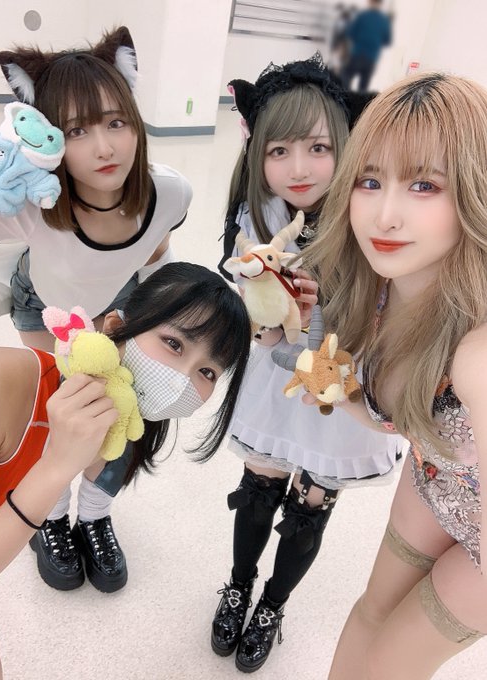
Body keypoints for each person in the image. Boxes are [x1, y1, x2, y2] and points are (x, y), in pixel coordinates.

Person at [0, 27, 193, 593]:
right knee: (56, 412)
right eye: (77, 130)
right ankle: (49, 517)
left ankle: (95, 514)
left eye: (116, 122)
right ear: (49, 137)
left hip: (115, 307)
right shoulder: (30, 207)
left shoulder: (170, 193)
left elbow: (158, 249)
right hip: (42, 308)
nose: (105, 148)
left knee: (116, 417)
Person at [212, 54, 399, 673]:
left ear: (346, 146)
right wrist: (265, 312)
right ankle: (238, 585)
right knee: (258, 488)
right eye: (280, 150)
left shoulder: (373, 213)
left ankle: (272, 604)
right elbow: (248, 307)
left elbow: (399, 306)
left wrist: (336, 305)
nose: (299, 168)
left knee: (311, 505)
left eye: (318, 148)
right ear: (257, 152)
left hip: (340, 382)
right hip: (276, 375)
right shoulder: (256, 217)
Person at [0, 260, 251, 680]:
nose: (181, 379)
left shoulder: (123, 426)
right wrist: (56, 468)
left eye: (207, 371)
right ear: (115, 326)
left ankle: (89, 522)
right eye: (174, 344)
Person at [305, 72, 487, 679]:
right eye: (370, 180)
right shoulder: (381, 294)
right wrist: (335, 389)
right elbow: (402, 421)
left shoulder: (477, 354)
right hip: (435, 479)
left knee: (388, 665)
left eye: (424, 185)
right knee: (370, 614)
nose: (385, 215)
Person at [339, 0, 391, 92]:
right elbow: (387, 41)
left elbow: (350, 33)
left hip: (358, 53)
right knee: (363, 88)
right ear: (380, 4)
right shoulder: (384, 20)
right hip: (371, 58)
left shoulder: (362, 16)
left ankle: (343, 98)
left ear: (370, 2)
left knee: (345, 78)